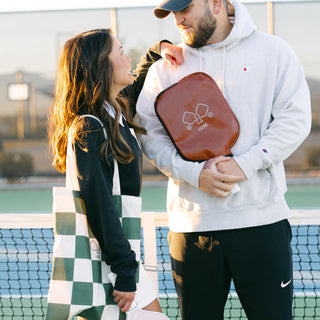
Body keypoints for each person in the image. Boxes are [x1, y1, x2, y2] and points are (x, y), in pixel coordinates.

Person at [136, 0, 312, 319]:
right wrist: (194, 174)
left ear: (216, 3)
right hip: (194, 231)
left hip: (262, 224)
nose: (177, 18)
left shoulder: (273, 51)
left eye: (185, 8)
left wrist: (246, 164)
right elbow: (149, 135)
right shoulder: (165, 67)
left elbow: (295, 119)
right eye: (172, 12)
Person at [48, 28, 183, 318]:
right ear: (100, 65)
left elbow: (137, 83)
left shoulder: (113, 114)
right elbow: (98, 203)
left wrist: (158, 49)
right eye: (120, 51)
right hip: (111, 263)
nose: (127, 57)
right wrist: (123, 269)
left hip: (117, 259)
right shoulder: (91, 128)